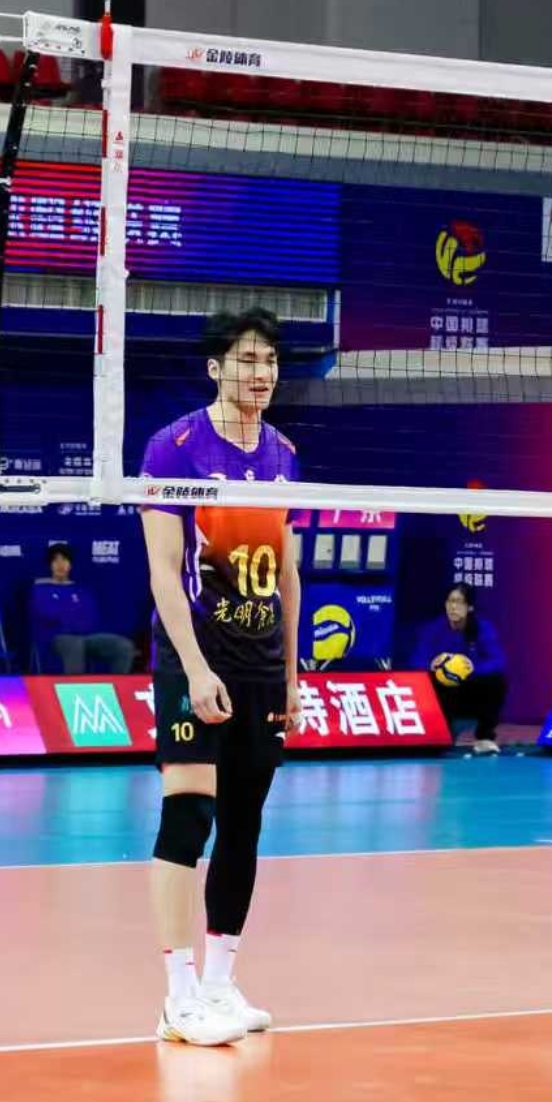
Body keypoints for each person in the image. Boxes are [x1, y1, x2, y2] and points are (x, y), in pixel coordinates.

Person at [137, 308, 302, 1048]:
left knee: (244, 822)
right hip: (193, 655)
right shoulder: (172, 449)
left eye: (269, 361)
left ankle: (219, 984)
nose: (260, 374)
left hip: (261, 661)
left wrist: (291, 675)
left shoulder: (284, 455)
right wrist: (196, 670)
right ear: (216, 368)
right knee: (189, 814)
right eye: (246, 360)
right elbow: (162, 574)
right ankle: (177, 997)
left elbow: (289, 573)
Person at [411, 583, 508, 753]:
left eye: (459, 602)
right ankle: (442, 735)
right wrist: (431, 664)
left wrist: (472, 668)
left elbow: (498, 661)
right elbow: (415, 661)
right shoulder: (433, 629)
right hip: (443, 691)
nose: (453, 607)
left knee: (498, 681)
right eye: (450, 601)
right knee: (432, 681)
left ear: (470, 607)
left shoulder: (482, 628)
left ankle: (484, 737)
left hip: (470, 688)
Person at [31, 543, 134, 674]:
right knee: (75, 644)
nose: (60, 565)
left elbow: (90, 618)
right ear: (50, 565)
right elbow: (48, 614)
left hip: (87, 636)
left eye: (64, 560)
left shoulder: (82, 591)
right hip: (55, 637)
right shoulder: (40, 590)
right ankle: (74, 686)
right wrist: (73, 613)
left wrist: (64, 613)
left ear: (70, 564)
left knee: (123, 645)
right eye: (56, 560)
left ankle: (119, 684)